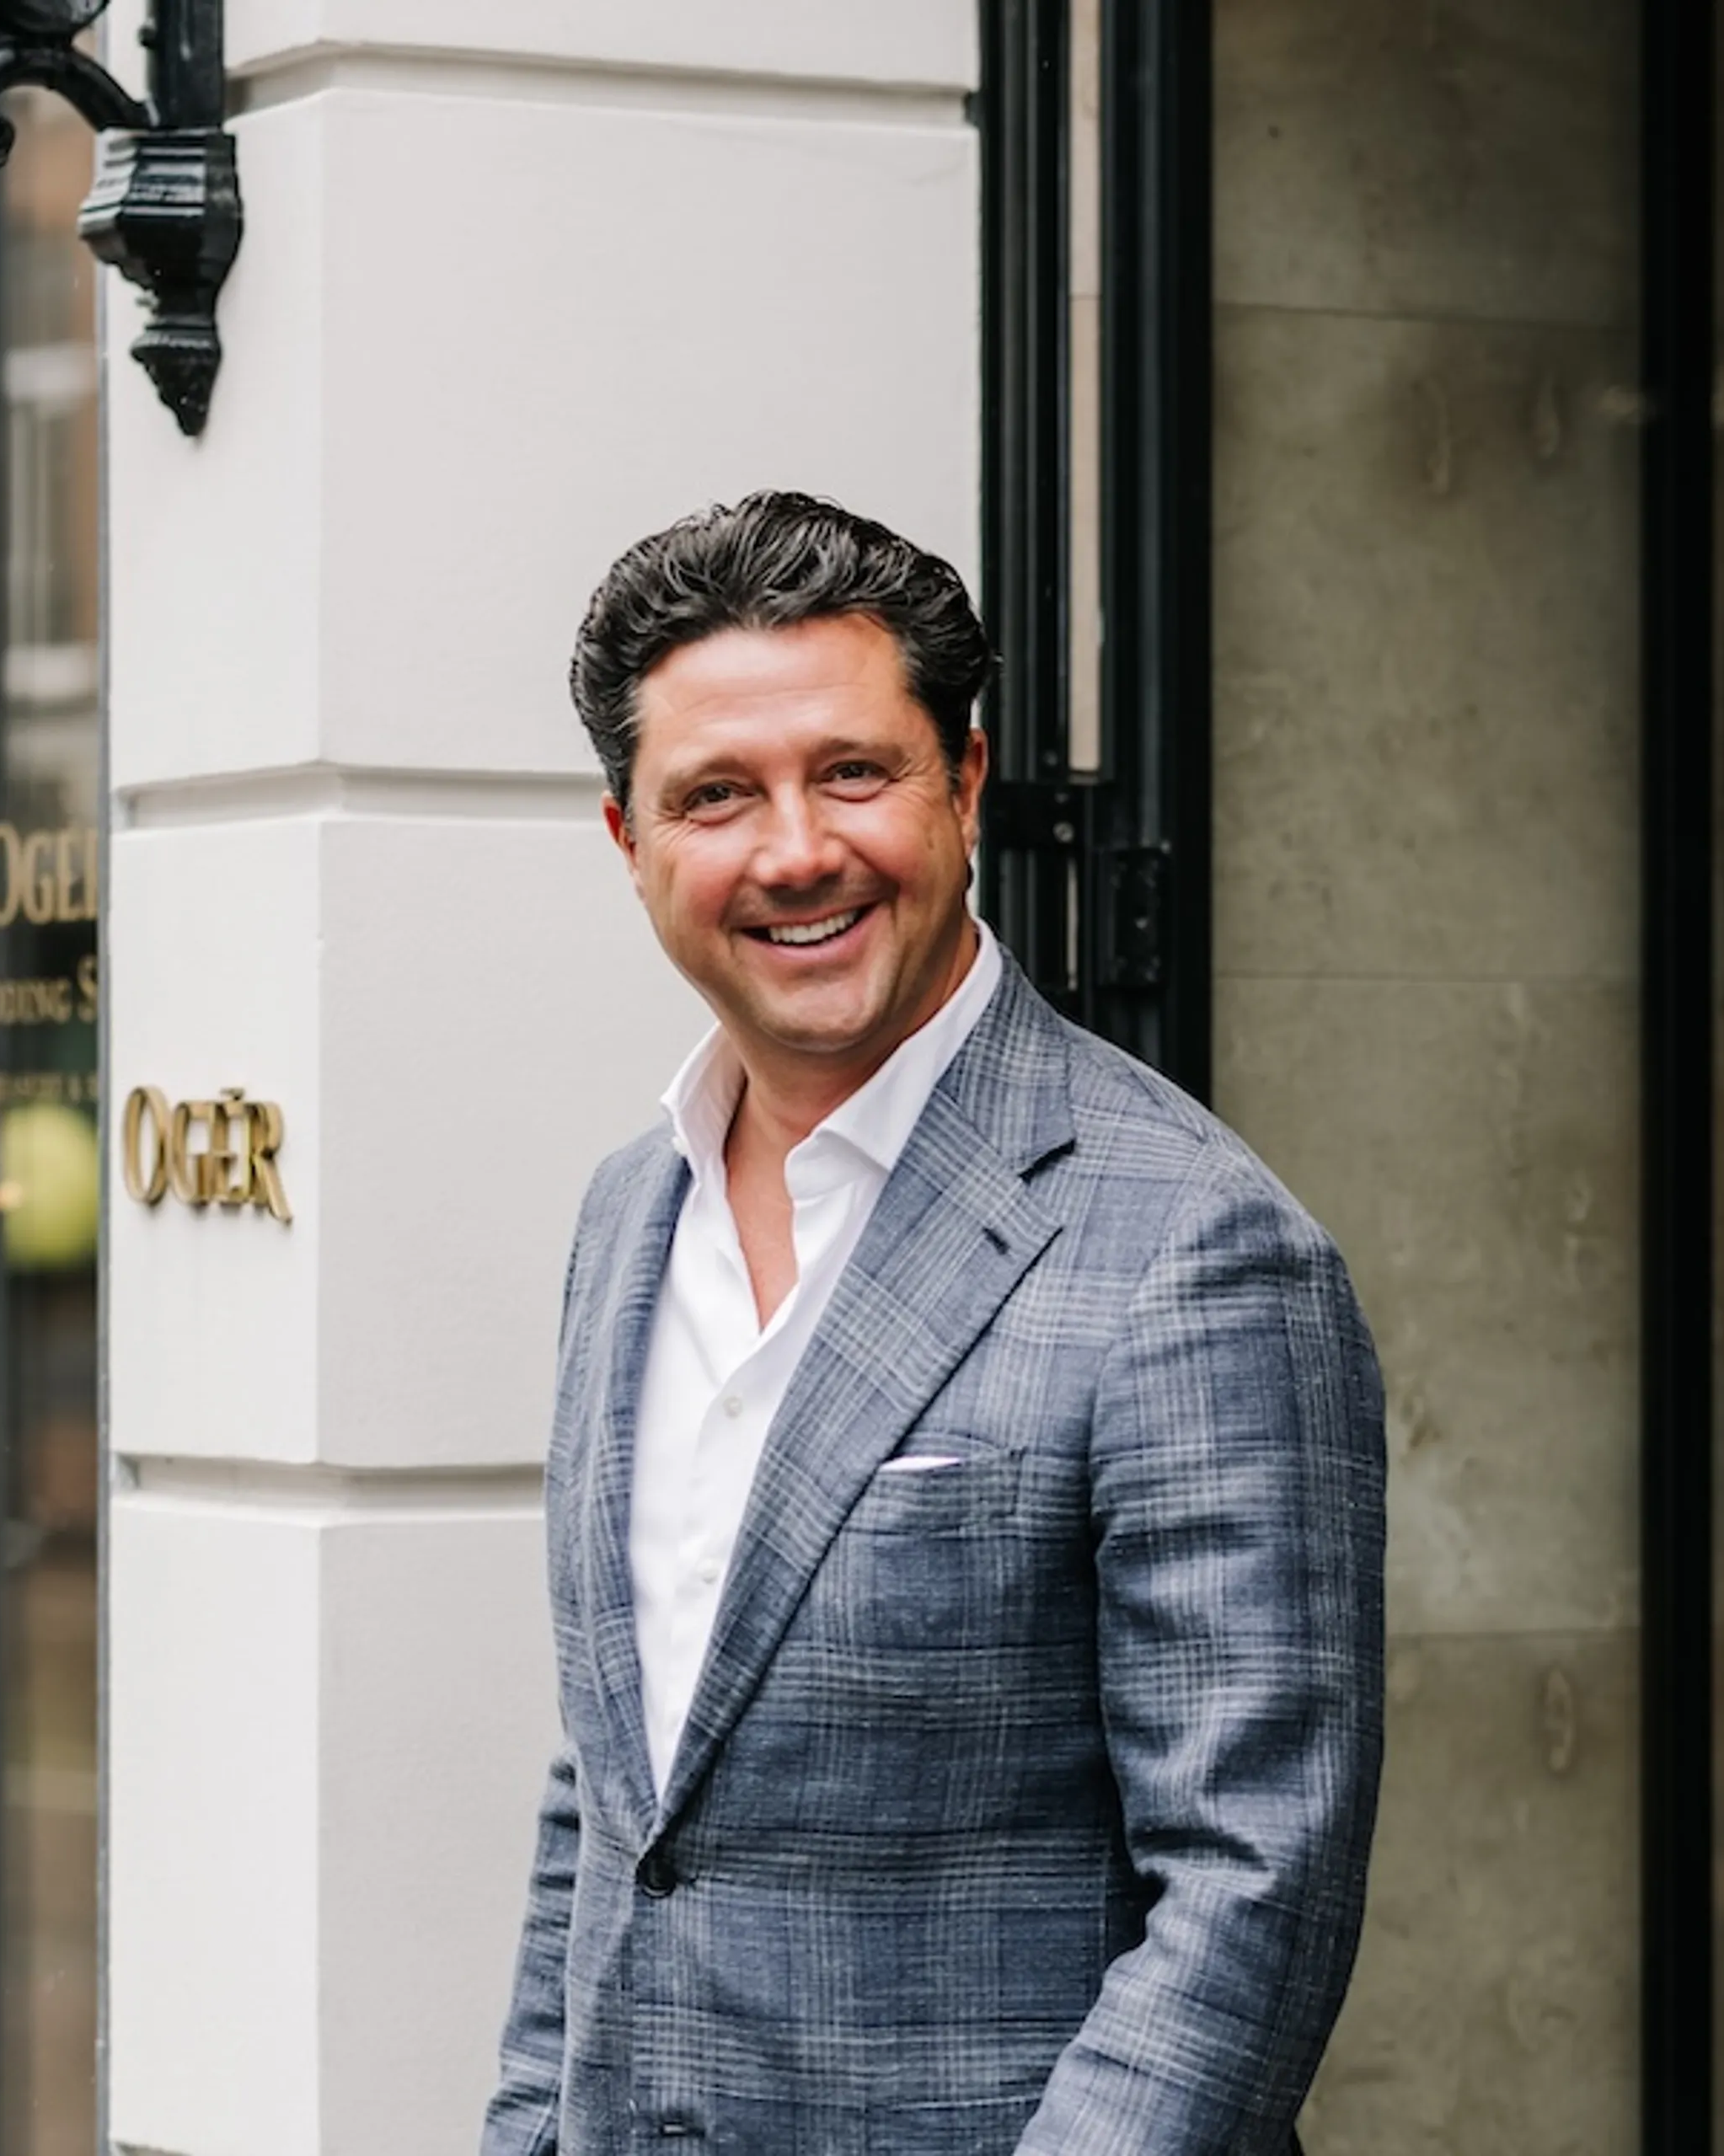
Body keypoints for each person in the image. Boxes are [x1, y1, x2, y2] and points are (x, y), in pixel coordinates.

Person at [481, 492, 1386, 2156]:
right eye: (716, 795)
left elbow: (1253, 1894)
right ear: (630, 840)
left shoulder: (1194, 1245)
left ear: (963, 786)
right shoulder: (629, 1215)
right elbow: (616, 1802)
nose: (793, 851)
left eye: (852, 772)